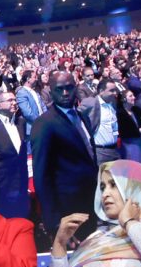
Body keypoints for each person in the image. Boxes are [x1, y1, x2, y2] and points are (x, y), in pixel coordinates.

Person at [32, 71, 98, 242]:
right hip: (67, 209)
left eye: (69, 88)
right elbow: (41, 176)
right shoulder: (44, 123)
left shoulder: (82, 116)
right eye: (59, 89)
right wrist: (54, 223)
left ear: (76, 87)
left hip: (91, 201)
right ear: (51, 91)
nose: (65, 93)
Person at [79, 79, 122, 163]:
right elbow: (77, 116)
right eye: (111, 91)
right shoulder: (91, 102)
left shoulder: (113, 103)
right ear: (101, 91)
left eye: (115, 90)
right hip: (100, 152)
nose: (115, 93)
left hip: (115, 150)